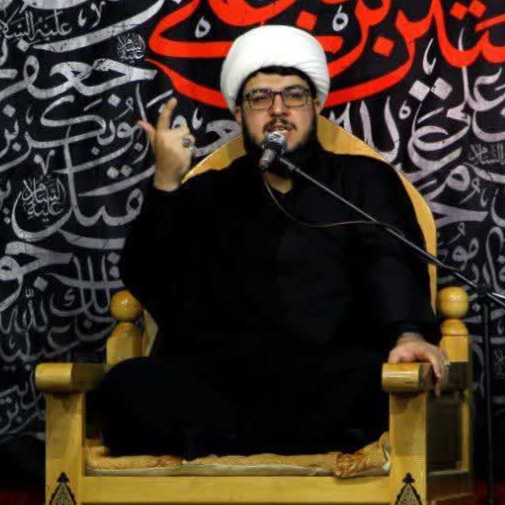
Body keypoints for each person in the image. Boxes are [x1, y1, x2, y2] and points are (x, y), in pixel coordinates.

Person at [99, 25, 448, 459]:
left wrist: (409, 333)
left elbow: (392, 264)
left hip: (322, 380)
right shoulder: (207, 192)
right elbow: (148, 279)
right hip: (223, 382)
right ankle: (268, 442)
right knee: (124, 388)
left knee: (369, 382)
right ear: (239, 112)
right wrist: (166, 184)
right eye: (260, 98)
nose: (278, 110)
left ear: (316, 105)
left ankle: (223, 445)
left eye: (294, 95)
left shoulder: (362, 180)